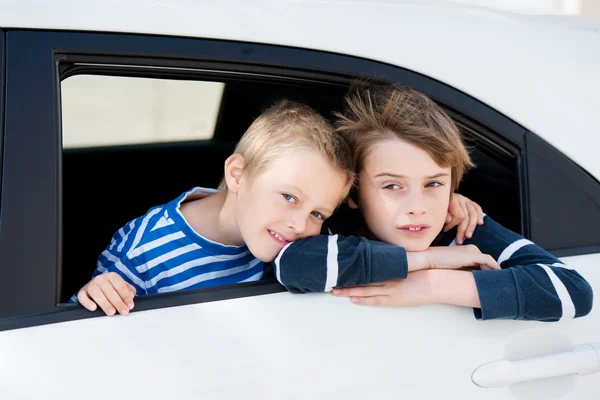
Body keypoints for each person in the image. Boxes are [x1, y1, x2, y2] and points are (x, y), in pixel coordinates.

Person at [273, 83, 594, 321]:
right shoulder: (333, 225)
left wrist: (434, 284)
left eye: (433, 184)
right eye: (393, 185)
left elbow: (573, 291)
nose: (418, 206)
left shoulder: (463, 231)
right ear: (354, 193)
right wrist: (430, 259)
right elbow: (293, 265)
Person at [72, 100, 355, 316]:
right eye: (289, 197)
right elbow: (87, 323)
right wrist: (96, 293)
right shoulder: (143, 253)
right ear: (237, 175)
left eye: (317, 214)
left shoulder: (297, 242)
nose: (300, 225)